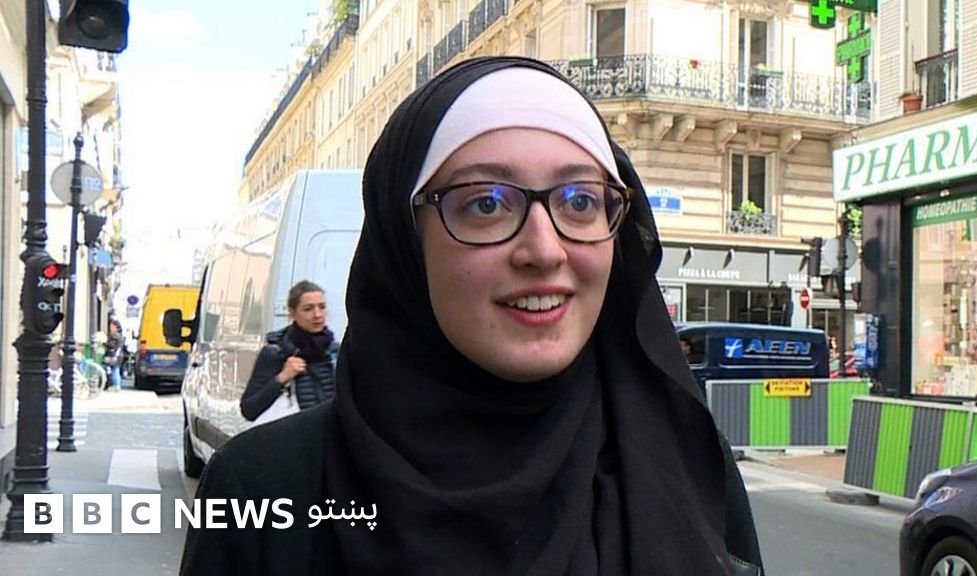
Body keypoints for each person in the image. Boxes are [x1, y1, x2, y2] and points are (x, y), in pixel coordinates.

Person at [181, 57, 763, 575]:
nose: (545, 250)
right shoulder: (263, 490)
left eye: (581, 201)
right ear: (404, 242)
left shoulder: (683, 460)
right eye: (486, 203)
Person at [239, 281, 338, 422]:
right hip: (297, 432)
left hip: (333, 431)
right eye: (308, 309)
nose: (317, 315)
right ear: (292, 312)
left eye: (322, 307)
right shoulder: (275, 352)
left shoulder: (335, 352)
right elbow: (249, 410)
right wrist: (282, 378)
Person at [104, 319, 124, 391]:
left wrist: (105, 342)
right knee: (115, 370)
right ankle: (117, 385)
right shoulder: (120, 335)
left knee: (114, 370)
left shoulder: (115, 335)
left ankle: (116, 386)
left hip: (114, 355)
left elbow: (111, 345)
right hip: (118, 355)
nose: (110, 328)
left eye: (111, 326)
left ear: (115, 327)